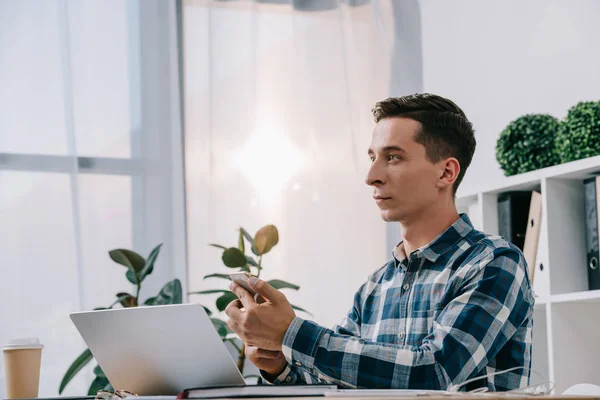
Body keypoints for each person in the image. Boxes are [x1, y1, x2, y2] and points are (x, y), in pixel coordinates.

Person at [225, 93, 534, 391]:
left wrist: (291, 332)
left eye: (393, 157)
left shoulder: (494, 263)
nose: (371, 175)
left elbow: (434, 374)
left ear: (446, 172)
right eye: (373, 157)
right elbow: (333, 387)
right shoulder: (376, 285)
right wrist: (277, 363)